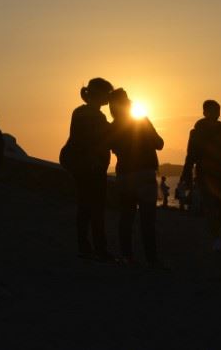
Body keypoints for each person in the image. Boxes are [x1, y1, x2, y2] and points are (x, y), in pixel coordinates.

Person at [107, 88, 164, 267]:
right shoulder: (141, 120)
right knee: (148, 221)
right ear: (128, 103)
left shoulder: (111, 127)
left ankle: (127, 257)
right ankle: (152, 260)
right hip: (145, 174)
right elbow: (159, 143)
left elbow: (111, 147)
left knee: (126, 219)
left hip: (124, 175)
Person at [61, 77, 113, 261]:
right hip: (90, 167)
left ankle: (85, 246)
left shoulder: (82, 112)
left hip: (82, 165)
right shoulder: (94, 115)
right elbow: (88, 139)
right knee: (95, 207)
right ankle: (99, 249)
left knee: (85, 206)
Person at [180, 99, 221, 251]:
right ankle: (216, 237)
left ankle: (215, 232)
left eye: (217, 110)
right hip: (205, 173)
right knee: (211, 206)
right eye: (212, 110)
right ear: (204, 112)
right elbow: (190, 154)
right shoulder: (197, 131)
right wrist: (187, 174)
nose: (215, 113)